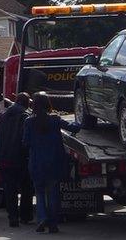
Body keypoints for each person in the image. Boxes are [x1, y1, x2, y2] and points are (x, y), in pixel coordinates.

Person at [23, 92, 81, 233]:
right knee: (53, 193)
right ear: (47, 104)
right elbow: (74, 128)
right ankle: (53, 223)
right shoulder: (55, 120)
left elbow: (25, 142)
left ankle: (42, 218)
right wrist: (80, 119)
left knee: (40, 192)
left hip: (36, 163)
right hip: (54, 162)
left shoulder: (29, 122)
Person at [0, 92, 34, 227]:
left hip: (5, 159)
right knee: (26, 187)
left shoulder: (3, 116)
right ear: (26, 103)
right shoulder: (25, 116)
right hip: (21, 158)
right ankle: (25, 215)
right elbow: (27, 138)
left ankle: (13, 217)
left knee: (10, 189)